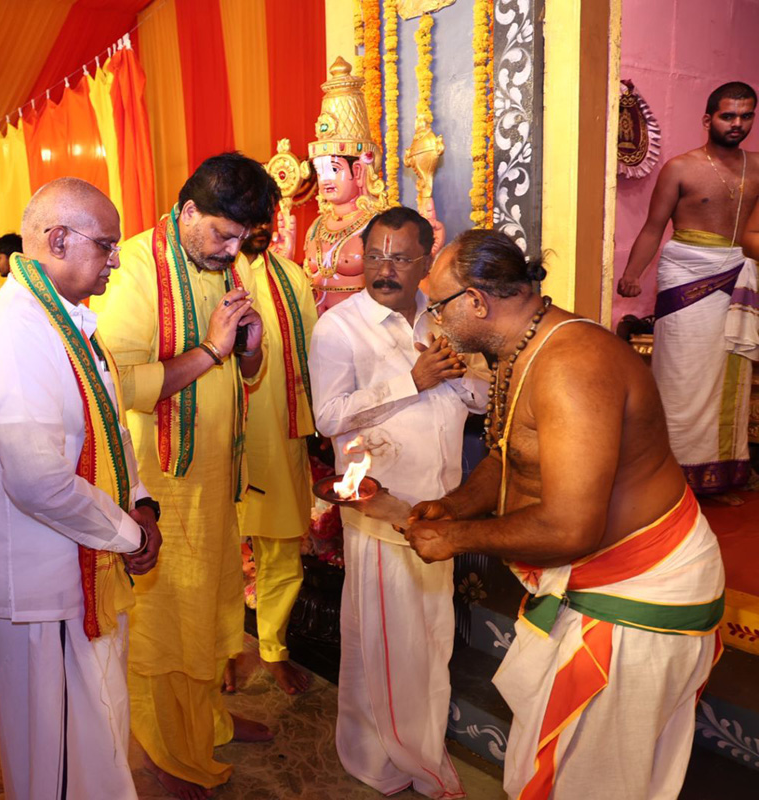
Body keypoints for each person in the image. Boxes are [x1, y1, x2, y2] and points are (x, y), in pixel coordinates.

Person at [410, 229, 726, 800]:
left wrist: (455, 537)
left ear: (476, 302)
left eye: (437, 306)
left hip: (638, 594)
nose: (436, 324)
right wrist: (453, 504)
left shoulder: (571, 364)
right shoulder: (517, 350)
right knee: (559, 768)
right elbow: (510, 453)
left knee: (594, 783)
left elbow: (570, 527)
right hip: (595, 583)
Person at [0, 177, 162, 800]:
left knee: (95, 736)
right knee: (61, 753)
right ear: (57, 239)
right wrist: (128, 533)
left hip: (81, 562)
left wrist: (142, 501)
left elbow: (108, 425)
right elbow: (38, 480)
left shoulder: (67, 318)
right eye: (106, 245)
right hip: (39, 580)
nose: (117, 259)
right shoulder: (15, 331)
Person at [92, 152, 275, 799]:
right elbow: (118, 383)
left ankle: (209, 723)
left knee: (211, 610)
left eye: (241, 240)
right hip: (161, 483)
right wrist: (211, 352)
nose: (232, 251)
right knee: (169, 624)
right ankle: (168, 754)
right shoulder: (139, 270)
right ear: (188, 211)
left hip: (217, 479)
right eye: (222, 234)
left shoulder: (227, 262)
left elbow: (248, 371)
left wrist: (248, 347)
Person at [309, 207, 482, 799]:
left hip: (440, 509)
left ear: (425, 262)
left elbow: (482, 401)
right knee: (393, 643)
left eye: (400, 257)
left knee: (426, 641)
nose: (383, 270)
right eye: (375, 256)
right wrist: (412, 380)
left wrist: (458, 374)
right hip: (381, 507)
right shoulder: (339, 328)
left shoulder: (445, 319)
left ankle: (377, 753)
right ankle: (414, 761)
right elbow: (327, 417)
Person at [617, 81, 759, 498]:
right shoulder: (680, 168)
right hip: (686, 275)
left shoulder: (757, 168)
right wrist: (633, 273)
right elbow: (652, 228)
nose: (737, 123)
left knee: (727, 377)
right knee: (679, 378)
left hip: (735, 274)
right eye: (727, 115)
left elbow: (751, 233)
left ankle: (720, 473)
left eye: (746, 115)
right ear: (707, 119)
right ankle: (669, 477)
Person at [226, 219, 317, 697]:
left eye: (268, 215)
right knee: (218, 552)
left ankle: (272, 650)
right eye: (250, 216)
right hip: (222, 435)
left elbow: (314, 352)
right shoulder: (209, 275)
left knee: (281, 550)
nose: (260, 226)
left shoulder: (292, 276)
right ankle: (219, 650)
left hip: (281, 431)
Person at [273, 58, 388, 313]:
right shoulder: (316, 226)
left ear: (358, 171)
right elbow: (306, 288)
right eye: (319, 169)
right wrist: (285, 259)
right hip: (319, 333)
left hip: (361, 338)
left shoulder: (379, 225)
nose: (324, 178)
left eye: (334, 169)